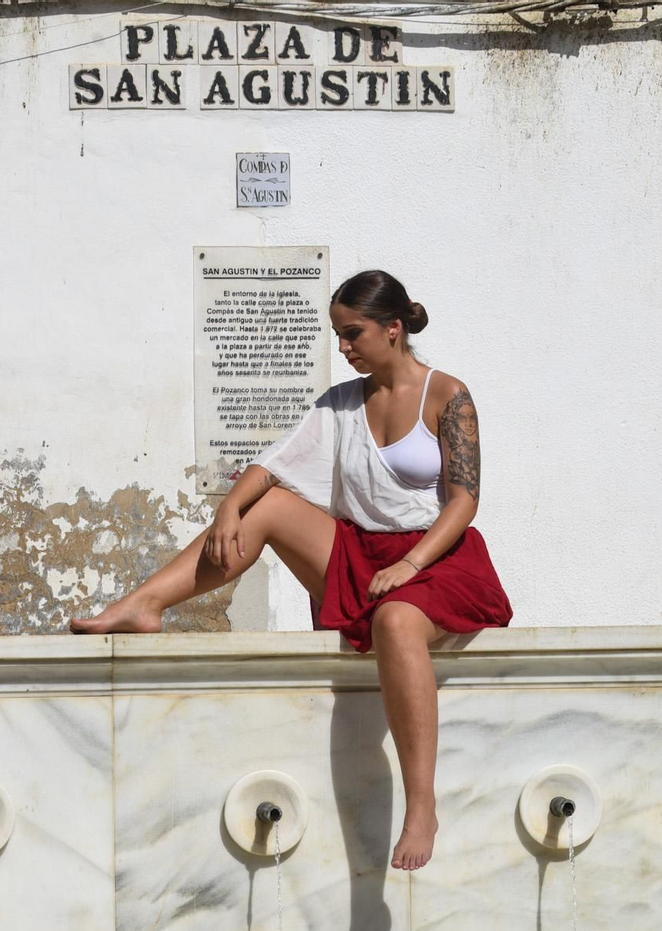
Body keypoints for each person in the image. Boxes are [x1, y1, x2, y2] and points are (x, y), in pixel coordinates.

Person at [72, 269, 513, 870]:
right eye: (337, 334)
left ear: (393, 328)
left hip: (436, 558)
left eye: (352, 333)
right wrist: (230, 504)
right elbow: (275, 465)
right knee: (271, 506)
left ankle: (421, 806)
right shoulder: (342, 401)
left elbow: (464, 499)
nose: (343, 347)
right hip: (365, 555)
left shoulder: (448, 395)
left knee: (397, 622)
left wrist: (411, 563)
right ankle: (145, 604)